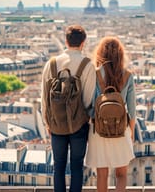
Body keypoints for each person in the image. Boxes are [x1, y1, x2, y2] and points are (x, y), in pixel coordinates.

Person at [41, 24, 96, 192]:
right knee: (77, 167)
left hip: (56, 123)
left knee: (58, 166)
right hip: (79, 125)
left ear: (65, 41)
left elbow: (44, 98)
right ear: (83, 42)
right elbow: (88, 99)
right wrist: (83, 117)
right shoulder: (87, 65)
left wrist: (47, 122)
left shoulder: (51, 64)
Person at [85, 36, 136, 192]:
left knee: (102, 174)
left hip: (98, 129)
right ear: (120, 54)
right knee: (121, 174)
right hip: (121, 130)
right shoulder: (127, 75)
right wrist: (131, 132)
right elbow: (132, 110)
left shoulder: (93, 74)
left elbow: (88, 105)